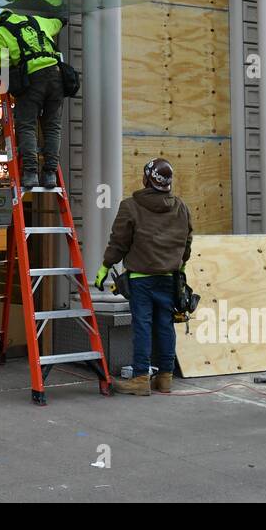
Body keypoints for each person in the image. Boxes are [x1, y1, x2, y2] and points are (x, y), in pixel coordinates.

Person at [93, 158, 193, 395]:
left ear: (147, 179)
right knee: (165, 326)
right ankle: (165, 378)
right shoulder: (181, 207)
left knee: (143, 327)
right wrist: (180, 265)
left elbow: (119, 241)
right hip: (169, 278)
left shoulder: (130, 206)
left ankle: (140, 378)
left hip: (140, 279)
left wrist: (105, 267)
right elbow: (187, 242)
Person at [0, 6, 65, 189]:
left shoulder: (0, 33)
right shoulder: (34, 20)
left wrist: (0, 79)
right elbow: (57, 23)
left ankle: (30, 173)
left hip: (33, 78)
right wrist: (62, 19)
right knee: (52, 126)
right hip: (57, 76)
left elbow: (4, 65)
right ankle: (49, 174)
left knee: (27, 124)